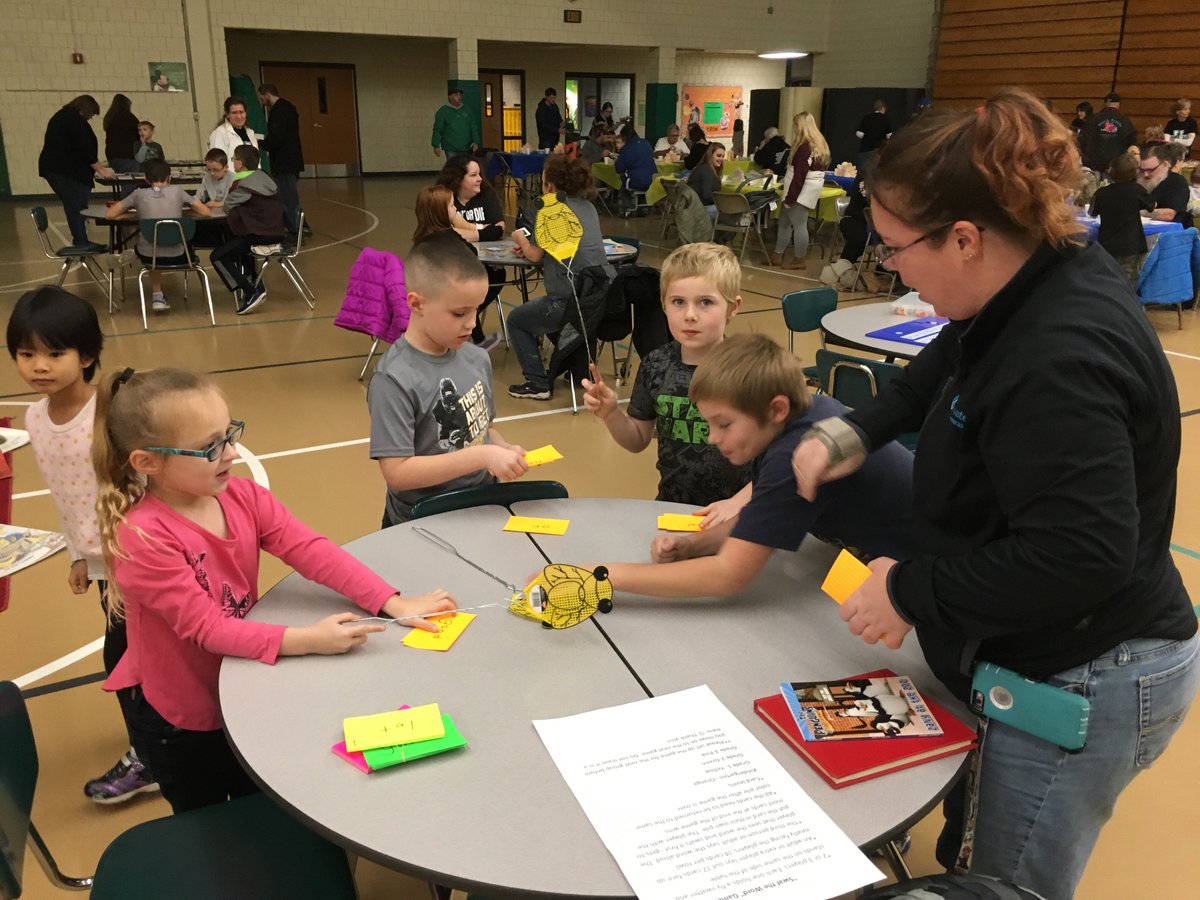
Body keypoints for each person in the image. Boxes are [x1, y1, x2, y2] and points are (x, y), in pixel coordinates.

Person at [789, 88, 1199, 900]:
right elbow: (942, 365)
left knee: (1005, 888)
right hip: (1045, 648)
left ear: (966, 238)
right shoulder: (1029, 277)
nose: (890, 264)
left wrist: (908, 586)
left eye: (897, 247)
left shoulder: (1058, 361)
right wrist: (851, 432)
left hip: (1086, 668)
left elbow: (1082, 556)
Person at [94, 366, 456, 813]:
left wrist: (389, 600)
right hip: (182, 717)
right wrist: (311, 640)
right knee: (209, 820)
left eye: (229, 435)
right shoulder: (143, 538)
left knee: (256, 798)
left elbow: (310, 549)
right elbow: (208, 628)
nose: (229, 453)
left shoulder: (242, 496)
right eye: (209, 447)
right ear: (147, 462)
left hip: (240, 687)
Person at [598, 333, 913, 598]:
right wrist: (693, 545)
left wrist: (606, 575)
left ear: (776, 409)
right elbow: (758, 516)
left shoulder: (797, 454)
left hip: (923, 569)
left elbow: (727, 576)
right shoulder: (800, 417)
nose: (712, 438)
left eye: (723, 424)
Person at [5, 287, 159, 805]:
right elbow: (65, 494)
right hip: (105, 567)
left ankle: (152, 755)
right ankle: (161, 737)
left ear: (87, 355)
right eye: (27, 354)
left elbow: (146, 483)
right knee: (134, 655)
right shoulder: (34, 420)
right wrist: (80, 555)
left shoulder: (109, 413)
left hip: (142, 557)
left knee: (127, 656)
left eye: (54, 353)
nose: (39, 366)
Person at [368, 232, 528, 525]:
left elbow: (483, 429)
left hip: (481, 506)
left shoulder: (477, 358)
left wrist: (501, 448)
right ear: (416, 304)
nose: (471, 323)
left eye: (477, 310)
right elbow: (398, 473)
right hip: (423, 521)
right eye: (458, 313)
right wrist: (483, 456)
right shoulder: (393, 379)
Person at [582, 242, 752, 511]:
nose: (690, 315)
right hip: (672, 510)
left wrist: (739, 503)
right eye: (678, 302)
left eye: (706, 302)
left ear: (733, 307)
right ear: (664, 305)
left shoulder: (751, 370)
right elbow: (637, 439)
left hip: (739, 513)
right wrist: (612, 413)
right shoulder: (655, 364)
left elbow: (779, 459)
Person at [508, 155, 615, 400]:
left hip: (566, 302)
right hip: (596, 299)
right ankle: (574, 368)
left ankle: (537, 382)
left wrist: (520, 239)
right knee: (553, 319)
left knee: (516, 320)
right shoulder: (588, 207)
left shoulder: (550, 210)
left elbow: (534, 256)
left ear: (550, 186)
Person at [106, 159, 211, 312]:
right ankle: (135, 256)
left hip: (149, 256)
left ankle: (157, 295)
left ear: (146, 179)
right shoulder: (178, 191)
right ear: (170, 177)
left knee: (152, 245)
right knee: (168, 241)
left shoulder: (138, 194)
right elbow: (206, 212)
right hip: (179, 254)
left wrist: (134, 215)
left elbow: (110, 214)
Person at [436, 156, 506, 349]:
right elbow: (445, 232)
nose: (480, 179)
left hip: (483, 262)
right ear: (458, 178)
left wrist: (466, 234)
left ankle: (467, 318)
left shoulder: (486, 195)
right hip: (452, 265)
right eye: (473, 175)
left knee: (498, 274)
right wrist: (482, 230)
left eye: (480, 174)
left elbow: (498, 229)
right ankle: (470, 330)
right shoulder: (445, 198)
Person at [209, 145, 285, 315]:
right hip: (277, 231)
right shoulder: (266, 178)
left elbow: (228, 205)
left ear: (239, 164)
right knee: (238, 247)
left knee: (218, 256)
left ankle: (251, 291)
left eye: (234, 158)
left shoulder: (242, 184)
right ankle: (254, 282)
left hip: (259, 234)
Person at [38, 95, 113, 252]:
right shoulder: (73, 121)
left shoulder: (63, 117)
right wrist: (101, 169)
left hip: (58, 169)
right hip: (65, 171)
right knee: (76, 205)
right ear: (85, 108)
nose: (91, 117)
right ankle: (80, 242)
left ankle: (81, 240)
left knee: (75, 204)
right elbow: (84, 148)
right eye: (91, 114)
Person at [771, 111, 830, 269]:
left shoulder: (804, 148)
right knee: (784, 221)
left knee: (799, 224)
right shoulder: (817, 145)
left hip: (799, 192)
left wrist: (791, 198)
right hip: (802, 190)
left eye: (796, 125)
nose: (794, 129)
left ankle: (799, 259)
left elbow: (800, 175)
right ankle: (777, 254)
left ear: (801, 127)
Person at [1089, 152, 1155, 286]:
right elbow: (1151, 206)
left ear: (1111, 172)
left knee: (1106, 280)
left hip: (1107, 244)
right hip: (1131, 244)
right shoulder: (1137, 190)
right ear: (1135, 172)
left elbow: (1092, 213)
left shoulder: (1102, 193)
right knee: (1128, 283)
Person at [257, 83, 305, 237]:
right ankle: (301, 226)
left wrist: (260, 143)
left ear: (267, 94)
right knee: (290, 196)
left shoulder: (278, 112)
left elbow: (277, 139)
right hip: (293, 160)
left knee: (288, 199)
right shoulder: (289, 108)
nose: (262, 101)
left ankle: (295, 231)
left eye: (261, 98)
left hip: (284, 162)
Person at [1139, 143, 1192, 228]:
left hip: (1169, 233)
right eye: (1141, 170)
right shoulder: (1137, 181)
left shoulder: (1177, 181)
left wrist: (1135, 213)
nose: (1145, 174)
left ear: (1165, 165)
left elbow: (1169, 214)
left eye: (1151, 170)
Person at [1081, 91, 1135, 172]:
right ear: (1118, 104)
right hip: (1116, 166)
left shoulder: (1093, 119)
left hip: (1094, 164)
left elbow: (1082, 140)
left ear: (1106, 103)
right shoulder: (1125, 121)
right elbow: (1133, 143)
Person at [614, 123, 655, 216]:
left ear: (625, 137)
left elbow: (619, 169)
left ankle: (629, 206)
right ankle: (643, 207)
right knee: (642, 179)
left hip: (636, 180)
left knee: (621, 186)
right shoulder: (646, 143)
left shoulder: (626, 148)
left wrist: (617, 161)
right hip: (652, 180)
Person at [431, 85, 480, 158]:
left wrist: (476, 141)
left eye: (460, 94)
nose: (459, 97)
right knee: (453, 167)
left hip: (466, 147)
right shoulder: (443, 112)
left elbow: (473, 127)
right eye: (456, 95)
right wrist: (436, 145)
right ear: (450, 97)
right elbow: (438, 129)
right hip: (450, 148)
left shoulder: (467, 110)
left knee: (464, 167)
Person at [208, 96, 259, 164]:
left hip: (252, 174)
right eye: (234, 113)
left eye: (241, 112)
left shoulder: (250, 132)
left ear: (245, 113)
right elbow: (217, 162)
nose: (238, 116)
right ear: (227, 114)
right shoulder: (220, 133)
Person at [686, 142, 726, 218]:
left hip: (693, 207)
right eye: (718, 156)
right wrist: (721, 201)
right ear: (710, 155)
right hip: (698, 210)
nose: (721, 159)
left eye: (723, 156)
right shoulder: (706, 170)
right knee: (729, 210)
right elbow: (706, 195)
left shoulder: (704, 167)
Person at [102, 94, 139, 175]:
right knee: (130, 184)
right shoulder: (130, 118)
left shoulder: (110, 117)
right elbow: (138, 135)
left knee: (123, 180)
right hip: (128, 155)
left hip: (112, 157)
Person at [855, 99, 892, 168]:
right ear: (883, 108)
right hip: (879, 152)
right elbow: (889, 136)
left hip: (865, 150)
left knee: (863, 173)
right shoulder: (886, 119)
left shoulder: (866, 118)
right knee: (876, 174)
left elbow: (860, 134)